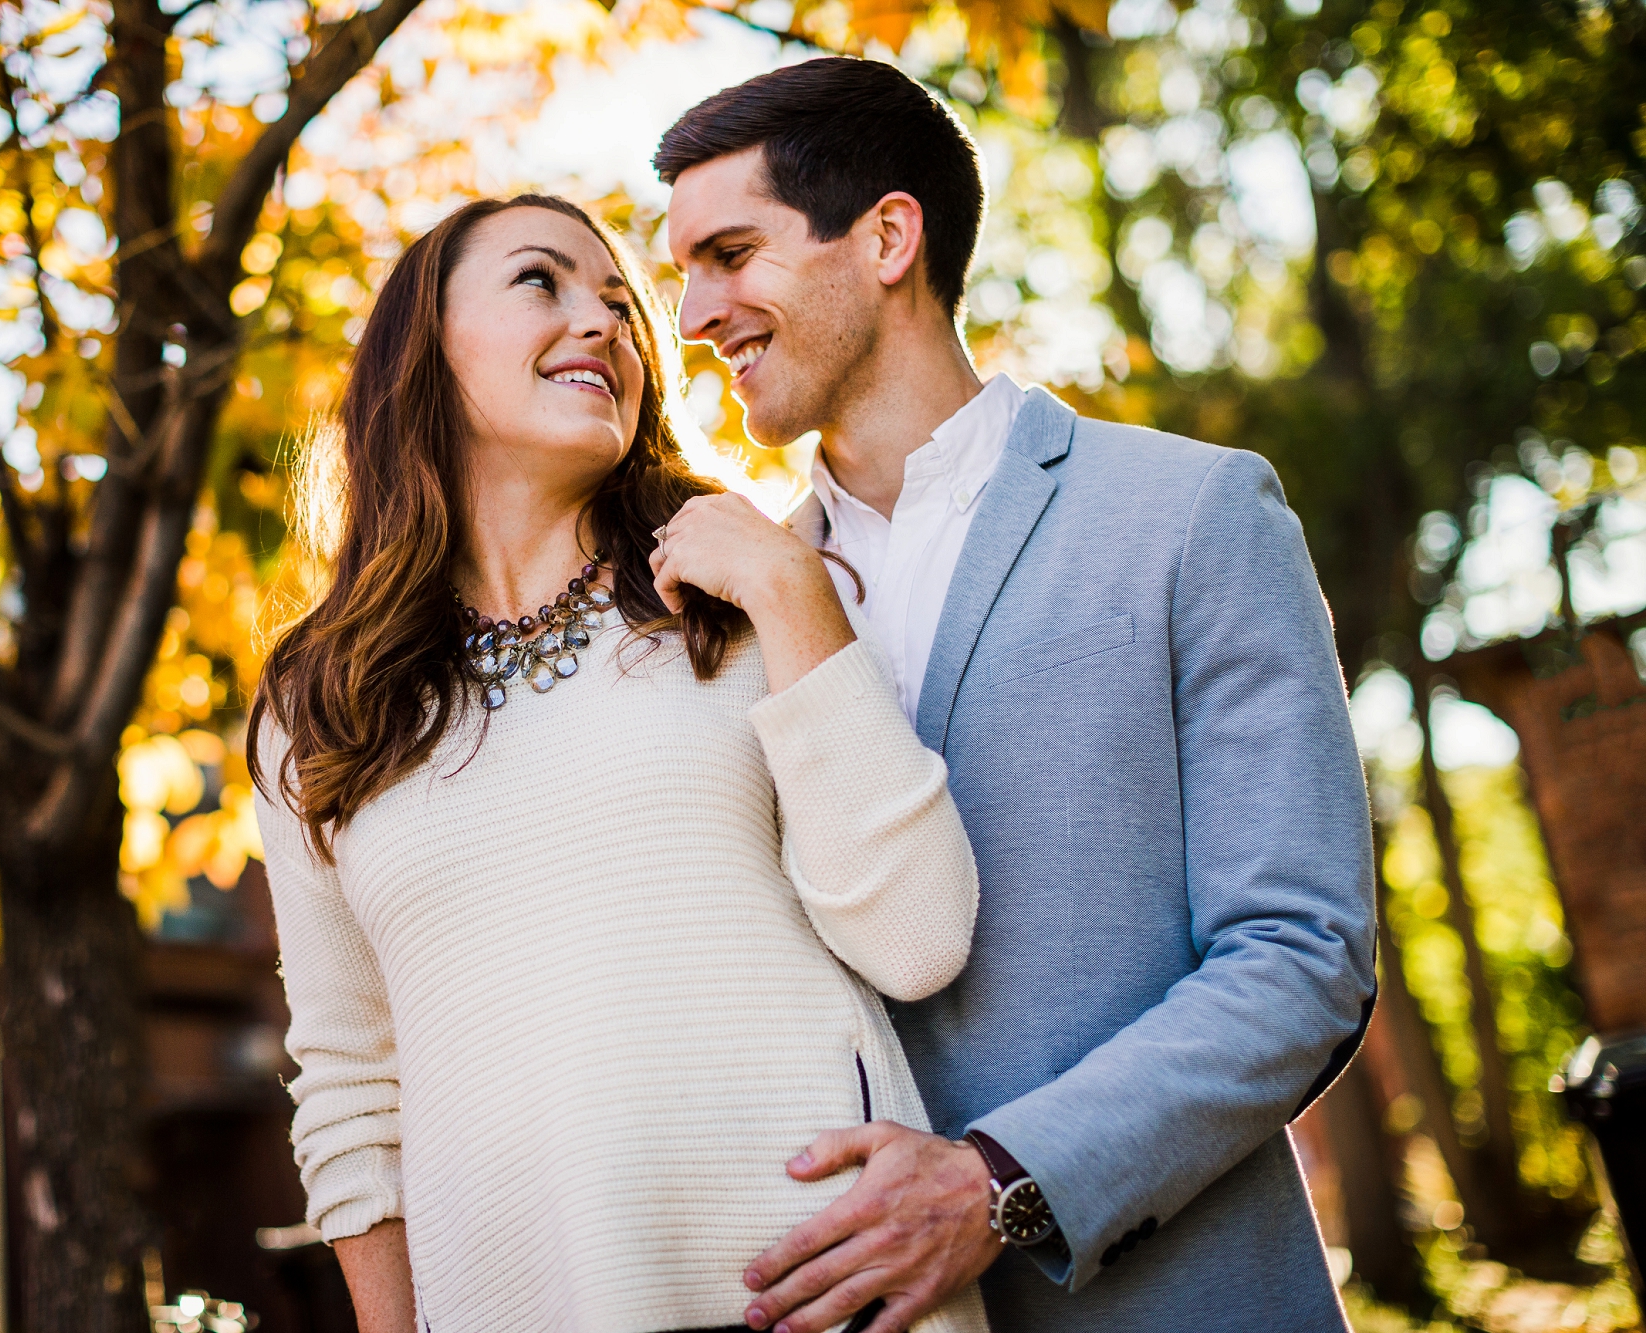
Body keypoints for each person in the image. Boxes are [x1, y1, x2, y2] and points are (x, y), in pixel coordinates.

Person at [653, 57, 1378, 1333]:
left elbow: (1298, 957)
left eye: (729, 253)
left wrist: (996, 1183)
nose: (695, 314)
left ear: (886, 237)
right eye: (683, 273)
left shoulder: (1188, 513)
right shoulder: (717, 609)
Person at [248, 193, 993, 1333]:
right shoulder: (319, 707)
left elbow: (918, 936)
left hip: (823, 1292)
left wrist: (793, 593)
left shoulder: (743, 587)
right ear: (424, 348)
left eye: (618, 305)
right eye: (540, 282)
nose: (604, 323)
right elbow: (349, 1086)